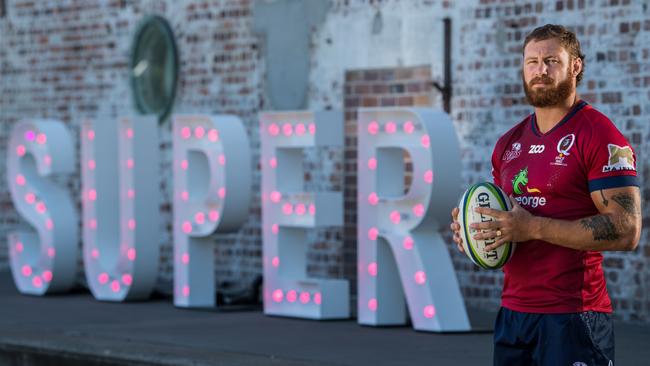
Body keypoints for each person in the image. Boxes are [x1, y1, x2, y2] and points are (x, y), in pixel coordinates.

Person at [450, 24, 642, 366]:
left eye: (551, 60)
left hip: (574, 318)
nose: (540, 70)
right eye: (532, 62)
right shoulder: (508, 144)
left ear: (575, 66)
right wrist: (477, 231)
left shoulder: (599, 135)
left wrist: (533, 227)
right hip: (513, 315)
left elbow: (626, 230)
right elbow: (511, 226)